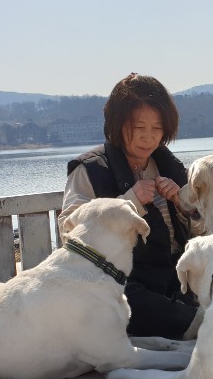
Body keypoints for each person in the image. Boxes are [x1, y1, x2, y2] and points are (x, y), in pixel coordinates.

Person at [61, 73, 202, 339]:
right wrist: (129, 202)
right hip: (123, 281)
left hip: (177, 277)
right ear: (117, 124)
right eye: (139, 127)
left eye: (157, 128)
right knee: (125, 298)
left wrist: (184, 207)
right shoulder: (90, 170)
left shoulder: (169, 166)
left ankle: (195, 323)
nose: (149, 137)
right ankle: (197, 325)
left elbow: (202, 229)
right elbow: (70, 234)